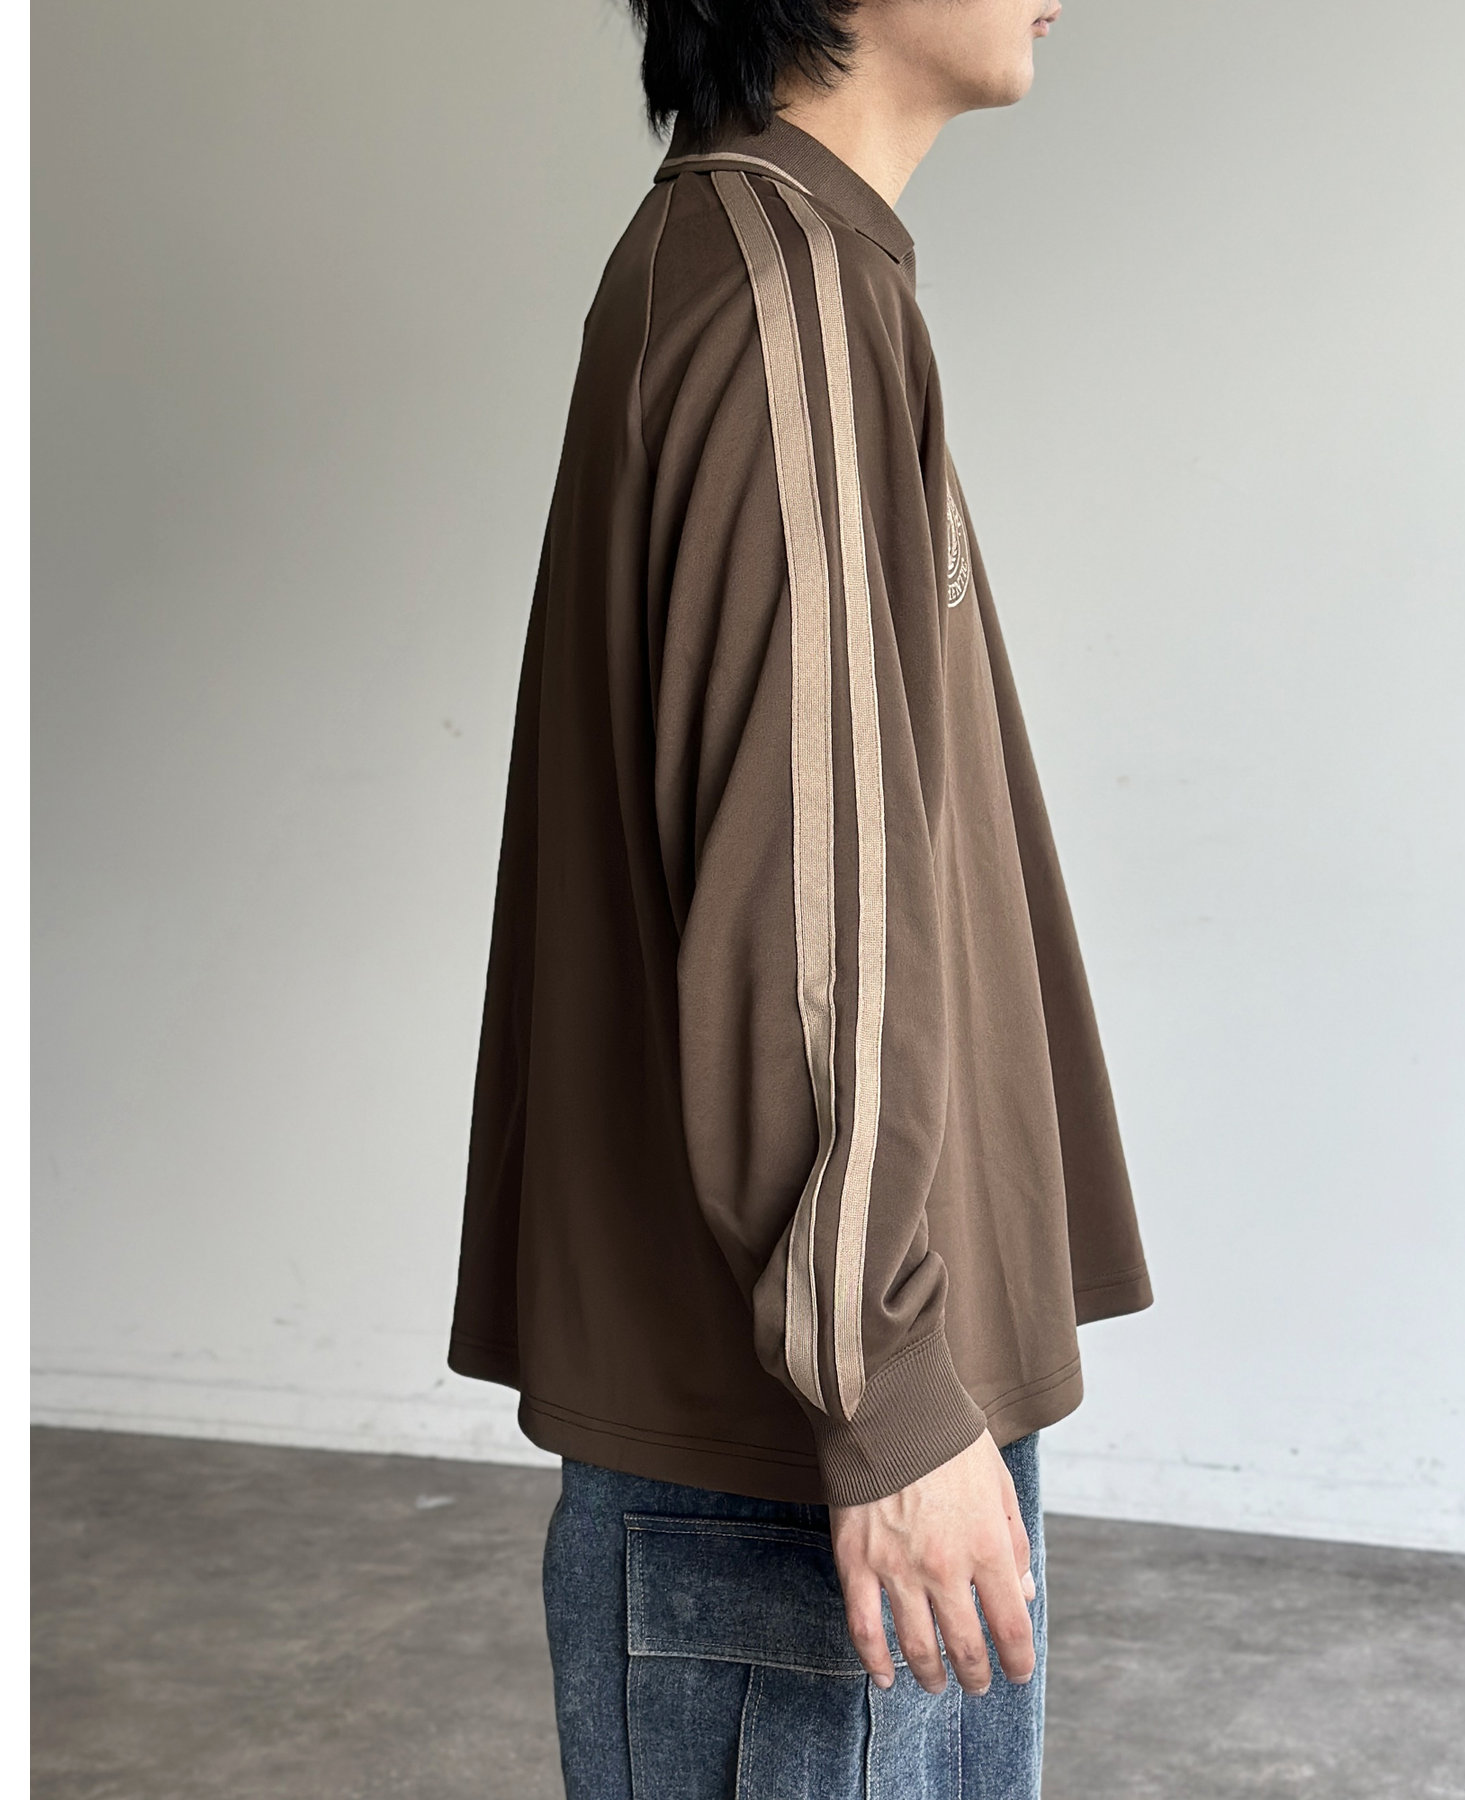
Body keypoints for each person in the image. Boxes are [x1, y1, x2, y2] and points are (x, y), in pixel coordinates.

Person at [447, 2, 1151, 1792]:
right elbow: (804, 908)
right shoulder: (784, 299)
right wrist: (884, 1385)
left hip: (841, 1406)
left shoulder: (789, 272)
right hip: (804, 1448)